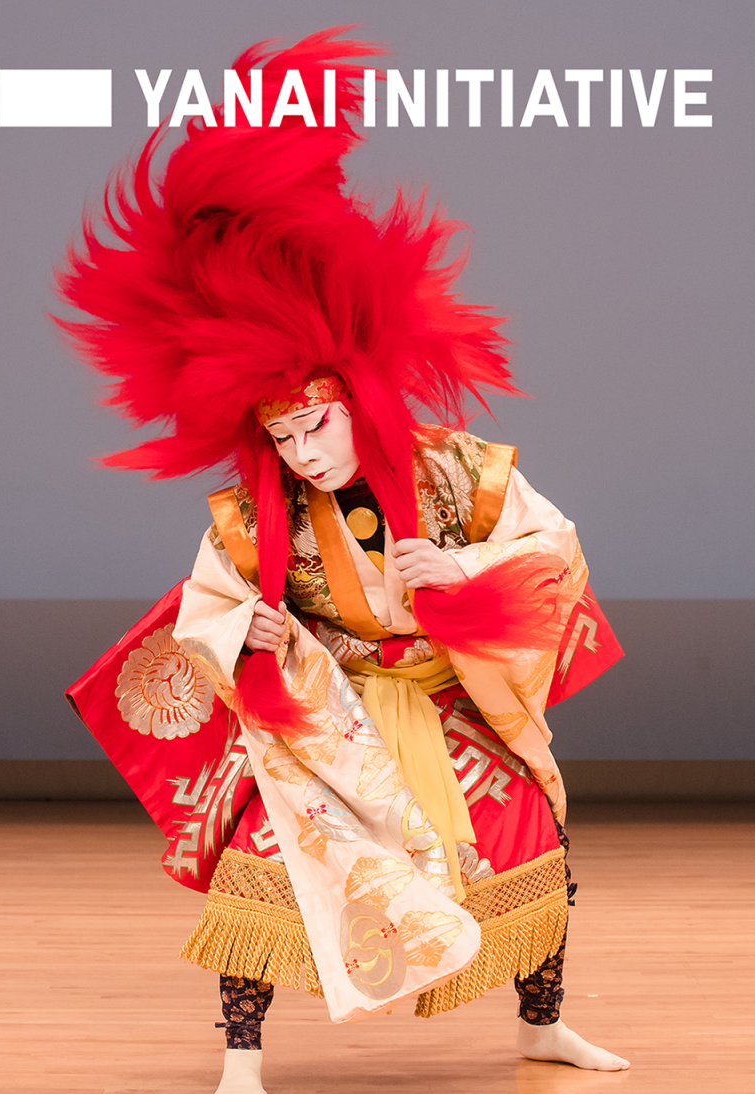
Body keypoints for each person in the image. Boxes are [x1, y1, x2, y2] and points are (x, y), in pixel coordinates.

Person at [58, 27, 629, 1092]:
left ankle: (543, 1024)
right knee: (264, 872)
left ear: (352, 401)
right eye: (280, 438)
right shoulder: (248, 512)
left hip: (443, 695)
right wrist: (248, 629)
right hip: (326, 716)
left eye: (313, 427)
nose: (299, 451)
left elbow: (549, 545)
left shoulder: (451, 471)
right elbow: (207, 601)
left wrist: (455, 577)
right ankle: (241, 1057)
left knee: (529, 835)